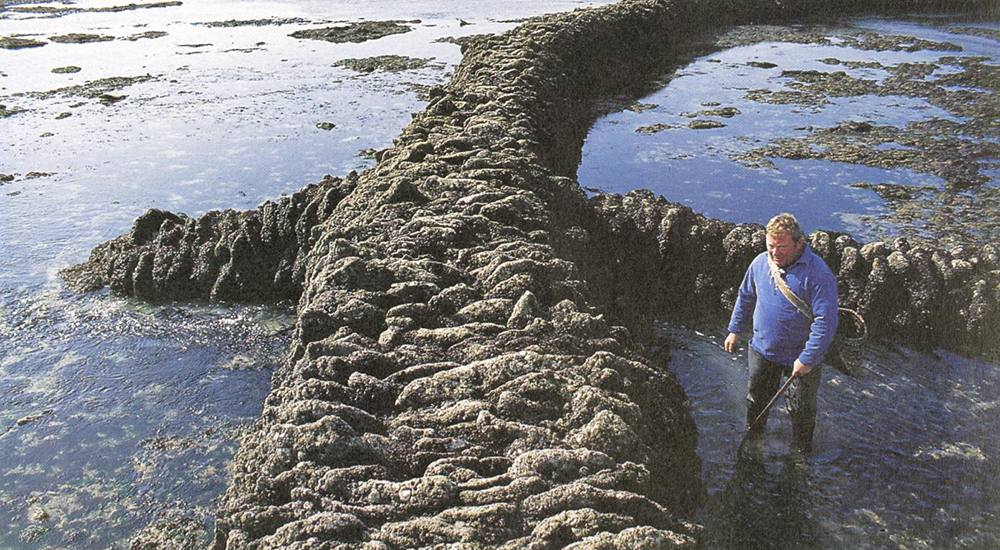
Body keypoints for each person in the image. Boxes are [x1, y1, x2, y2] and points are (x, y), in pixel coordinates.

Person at [724, 213, 838, 453]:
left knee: (801, 410)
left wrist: (808, 358)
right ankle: (753, 441)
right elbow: (745, 297)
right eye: (770, 246)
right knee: (756, 399)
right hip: (762, 350)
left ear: (799, 243)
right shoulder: (759, 263)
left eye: (782, 246)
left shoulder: (819, 274)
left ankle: (799, 453)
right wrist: (735, 330)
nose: (775, 253)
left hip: (800, 359)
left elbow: (825, 322)